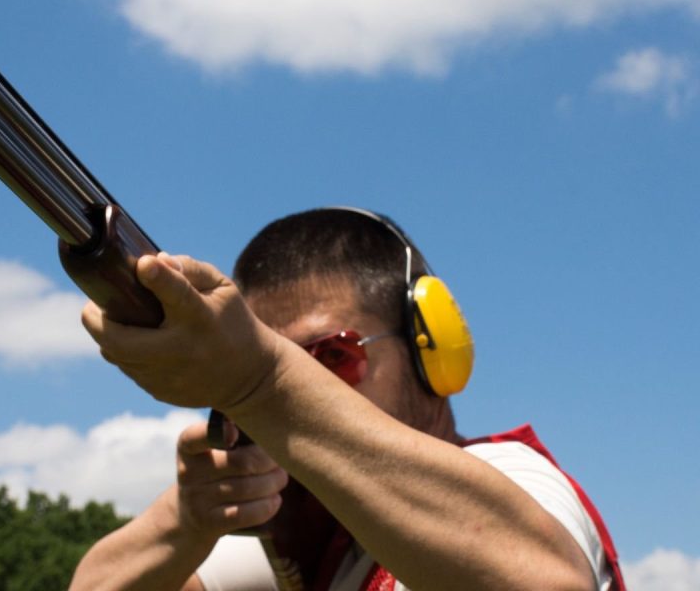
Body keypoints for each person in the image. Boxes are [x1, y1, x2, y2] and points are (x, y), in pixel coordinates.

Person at [70, 208, 626, 591]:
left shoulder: (509, 474)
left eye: (331, 355)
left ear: (429, 345)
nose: (306, 384)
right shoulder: (318, 547)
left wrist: (261, 380)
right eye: (283, 359)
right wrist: (186, 521)